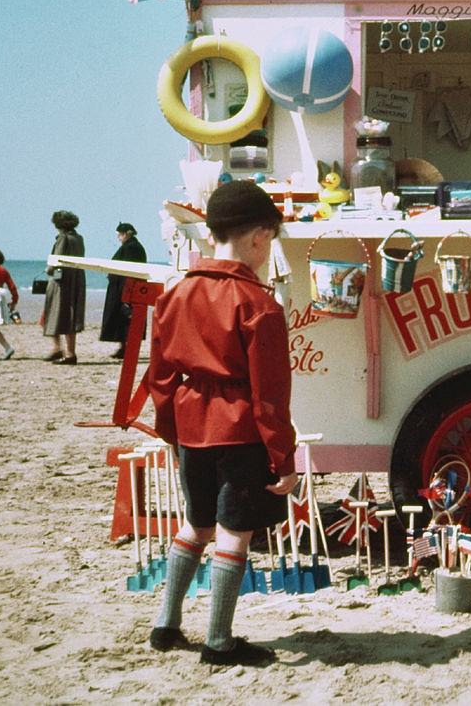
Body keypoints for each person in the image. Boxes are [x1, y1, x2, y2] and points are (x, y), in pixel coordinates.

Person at [147, 180, 296, 667]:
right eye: (270, 240)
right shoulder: (259, 304)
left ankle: (166, 626)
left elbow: (161, 376)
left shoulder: (176, 292)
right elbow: (270, 398)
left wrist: (171, 432)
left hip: (190, 426)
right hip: (238, 431)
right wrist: (283, 460)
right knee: (235, 532)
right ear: (258, 237)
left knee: (197, 523)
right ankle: (219, 641)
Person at [43, 210, 86, 365]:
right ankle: (68, 351)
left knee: (56, 313)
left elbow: (56, 260)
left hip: (62, 281)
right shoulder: (78, 238)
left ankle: (61, 350)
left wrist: (48, 270)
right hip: (76, 278)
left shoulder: (63, 238)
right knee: (71, 315)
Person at [99, 222, 148, 359]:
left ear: (127, 233)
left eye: (120, 235)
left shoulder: (131, 247)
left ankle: (126, 348)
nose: (119, 238)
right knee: (122, 319)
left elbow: (128, 270)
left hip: (125, 288)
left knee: (125, 319)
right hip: (123, 287)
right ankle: (124, 348)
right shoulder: (132, 246)